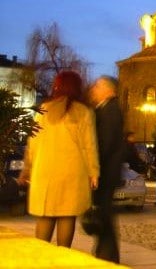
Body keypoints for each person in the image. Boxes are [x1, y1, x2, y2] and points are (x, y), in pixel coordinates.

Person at [18, 71, 99, 248]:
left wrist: (27, 170)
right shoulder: (83, 112)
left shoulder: (42, 111)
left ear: (57, 86)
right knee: (66, 216)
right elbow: (89, 145)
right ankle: (62, 258)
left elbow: (32, 144)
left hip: (44, 172)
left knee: (45, 216)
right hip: (71, 173)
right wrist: (94, 172)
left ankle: (41, 260)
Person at [89, 76, 124, 263]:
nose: (94, 89)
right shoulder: (104, 108)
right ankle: (105, 252)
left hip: (106, 172)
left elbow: (105, 143)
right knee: (104, 213)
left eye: (97, 86)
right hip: (107, 172)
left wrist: (95, 167)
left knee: (105, 213)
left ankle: (108, 254)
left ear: (109, 89)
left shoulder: (110, 110)